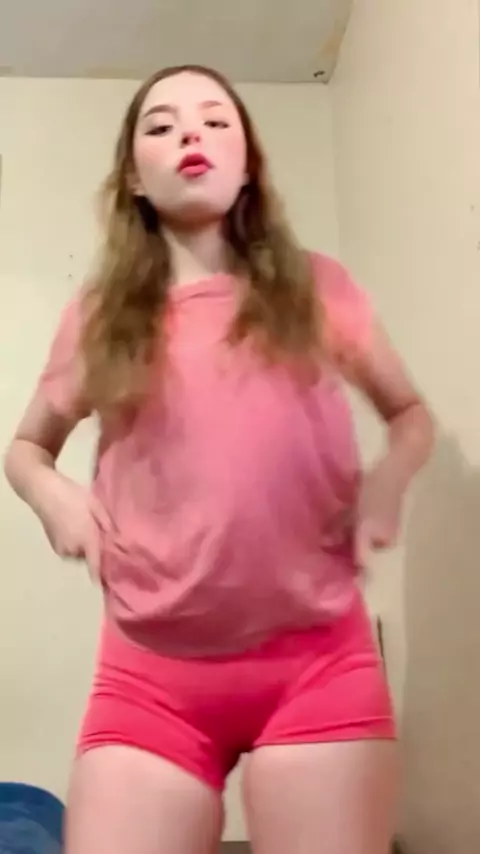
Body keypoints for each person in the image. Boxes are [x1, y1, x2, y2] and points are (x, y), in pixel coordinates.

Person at [4, 64, 434, 854]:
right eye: (161, 125)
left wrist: (385, 484)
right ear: (135, 177)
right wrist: (51, 494)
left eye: (214, 119)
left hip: (319, 663)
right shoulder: (98, 317)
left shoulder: (319, 287)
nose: (190, 133)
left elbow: (409, 416)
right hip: (148, 678)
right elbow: (25, 448)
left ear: (247, 165)